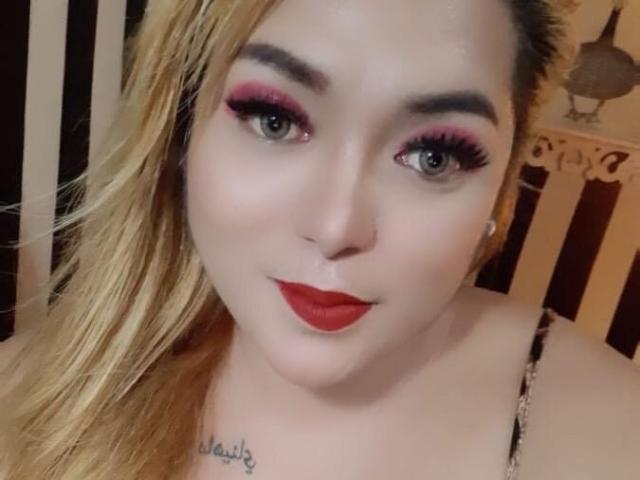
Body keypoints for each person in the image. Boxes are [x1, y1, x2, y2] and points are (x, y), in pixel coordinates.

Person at [1, 0, 639, 478]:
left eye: (434, 157)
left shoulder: (607, 434)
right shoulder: (20, 401)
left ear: (499, 191)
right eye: (275, 120)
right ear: (179, 135)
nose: (336, 230)